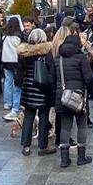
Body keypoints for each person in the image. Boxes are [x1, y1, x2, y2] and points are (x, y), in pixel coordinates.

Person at [51, 23, 93, 168]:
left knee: (65, 126)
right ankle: (81, 157)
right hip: (78, 96)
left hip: (61, 96)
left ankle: (64, 159)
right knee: (81, 125)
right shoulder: (81, 58)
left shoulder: (58, 59)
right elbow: (89, 78)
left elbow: (52, 78)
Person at [16, 26, 57, 156]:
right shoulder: (47, 52)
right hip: (43, 89)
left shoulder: (24, 53)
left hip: (28, 89)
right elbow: (52, 71)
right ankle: (42, 146)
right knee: (44, 117)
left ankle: (26, 146)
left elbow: (20, 73)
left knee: (29, 116)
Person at [0, 16, 23, 122]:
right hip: (15, 62)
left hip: (5, 61)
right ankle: (16, 105)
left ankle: (7, 103)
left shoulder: (5, 36)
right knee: (17, 84)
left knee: (7, 81)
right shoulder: (19, 36)